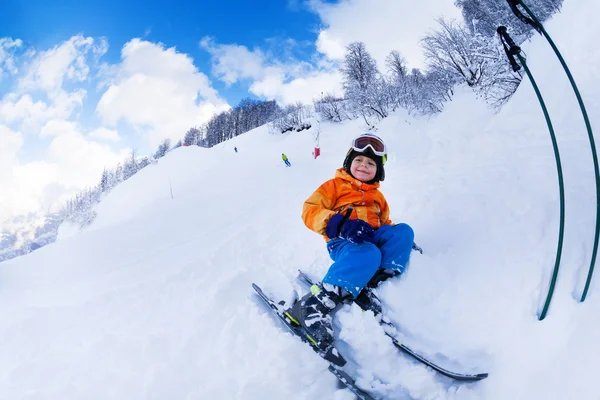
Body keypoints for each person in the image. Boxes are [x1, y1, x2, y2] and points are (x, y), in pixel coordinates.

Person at [287, 133, 416, 361]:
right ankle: (313, 306)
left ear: (379, 171)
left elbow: (384, 222)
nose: (363, 166)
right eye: (358, 160)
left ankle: (371, 281)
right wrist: (339, 223)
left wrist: (401, 241)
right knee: (367, 253)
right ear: (349, 162)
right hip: (345, 243)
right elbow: (310, 210)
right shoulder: (334, 186)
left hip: (371, 240)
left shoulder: (379, 197)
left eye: (370, 163)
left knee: (404, 231)